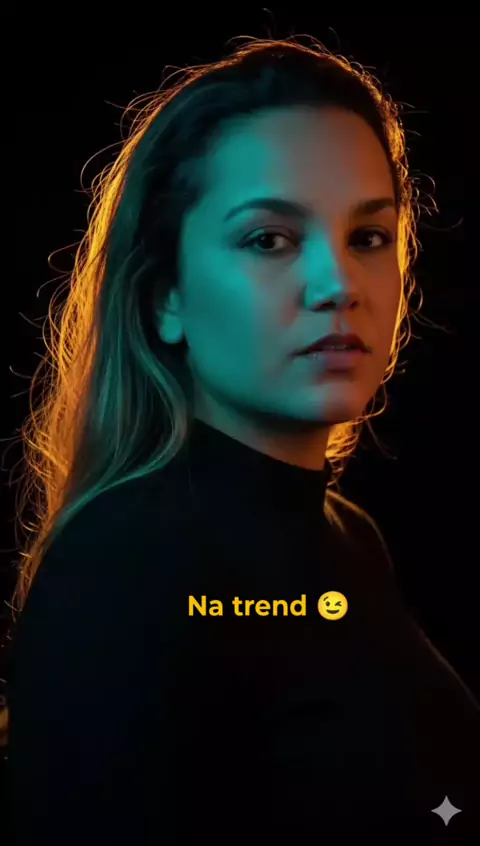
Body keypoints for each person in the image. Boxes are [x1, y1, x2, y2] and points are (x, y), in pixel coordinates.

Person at [4, 36, 480, 843]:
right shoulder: (128, 564)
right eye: (269, 239)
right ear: (166, 296)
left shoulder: (346, 538)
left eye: (369, 237)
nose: (338, 285)